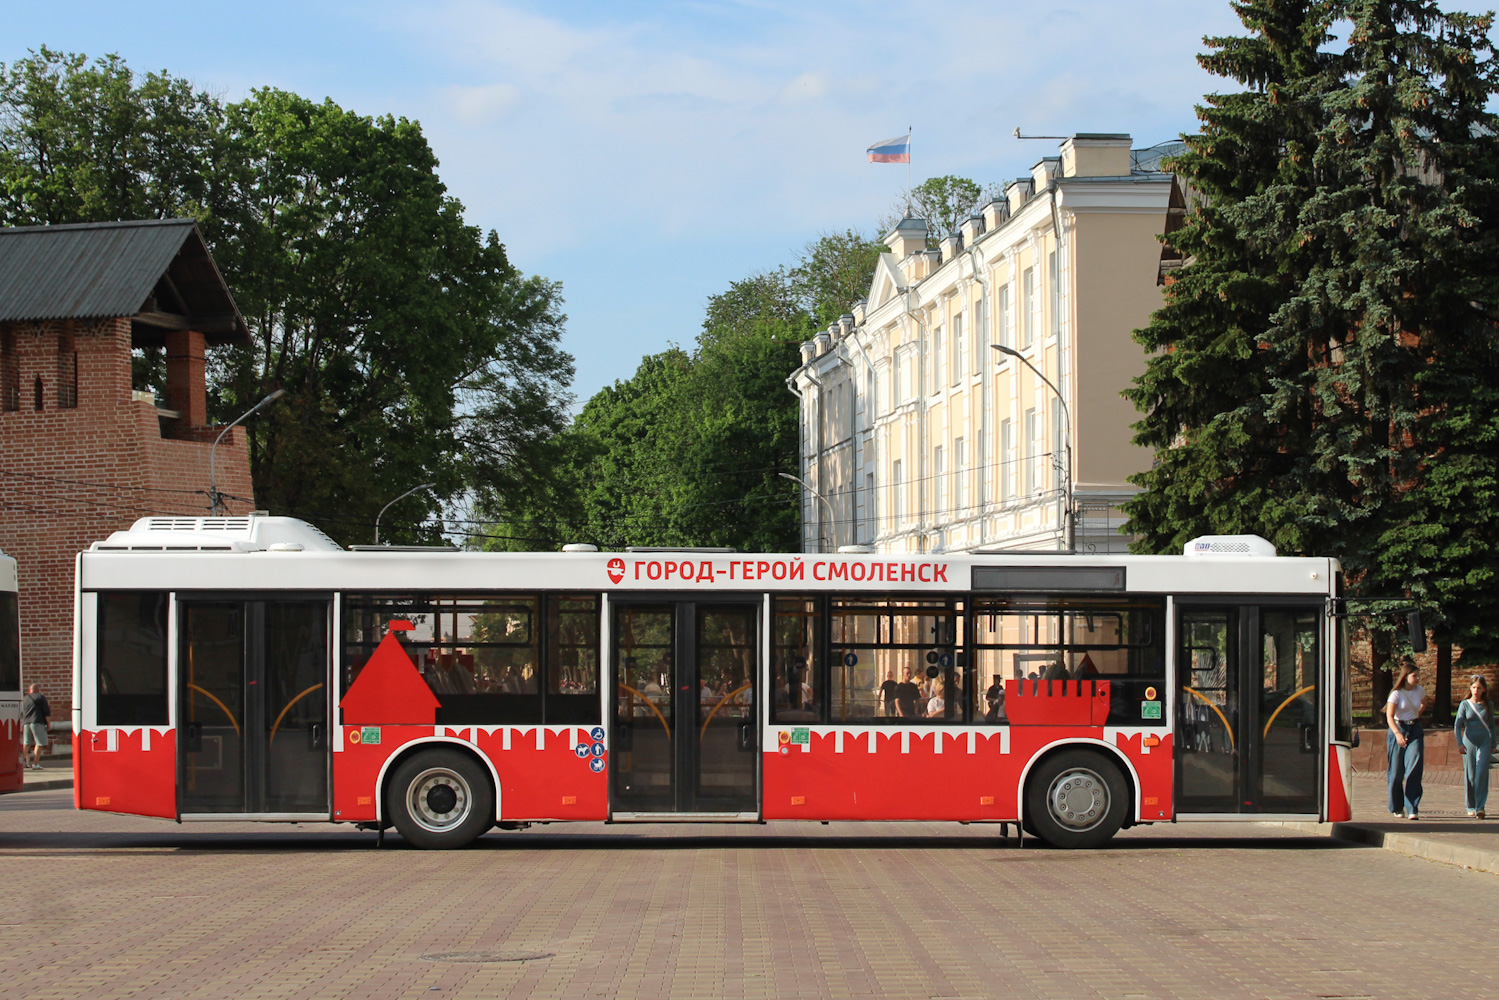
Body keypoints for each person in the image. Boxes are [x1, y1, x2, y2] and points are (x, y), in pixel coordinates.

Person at [1386, 660, 1431, 819]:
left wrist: (1416, 716)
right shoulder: (1396, 694)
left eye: (1418, 676)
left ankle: (1413, 807)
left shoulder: (1420, 691)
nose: (1418, 679)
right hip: (1399, 729)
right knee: (1397, 771)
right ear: (1406, 677)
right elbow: (1389, 716)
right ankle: (1397, 806)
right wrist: (1398, 734)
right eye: (1414, 676)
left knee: (1414, 768)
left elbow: (1424, 704)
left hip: (1415, 730)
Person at [1454, 675, 1496, 819]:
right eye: (1473, 687)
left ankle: (1480, 807)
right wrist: (1459, 743)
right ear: (1470, 688)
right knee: (1471, 775)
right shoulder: (1465, 705)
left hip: (1484, 741)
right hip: (1469, 741)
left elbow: (1491, 726)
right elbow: (1457, 725)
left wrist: (1493, 744)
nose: (1476, 690)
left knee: (1482, 773)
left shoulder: (1488, 705)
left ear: (1484, 689)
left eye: (1479, 688)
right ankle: (1470, 805)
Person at [20, 683, 49, 771]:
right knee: (39, 743)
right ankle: (35, 764)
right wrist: (49, 723)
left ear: (30, 690)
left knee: (26, 743)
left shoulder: (24, 699)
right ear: (37, 690)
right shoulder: (41, 697)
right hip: (37, 722)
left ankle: (21, 763)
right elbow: (46, 711)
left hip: (26, 723)